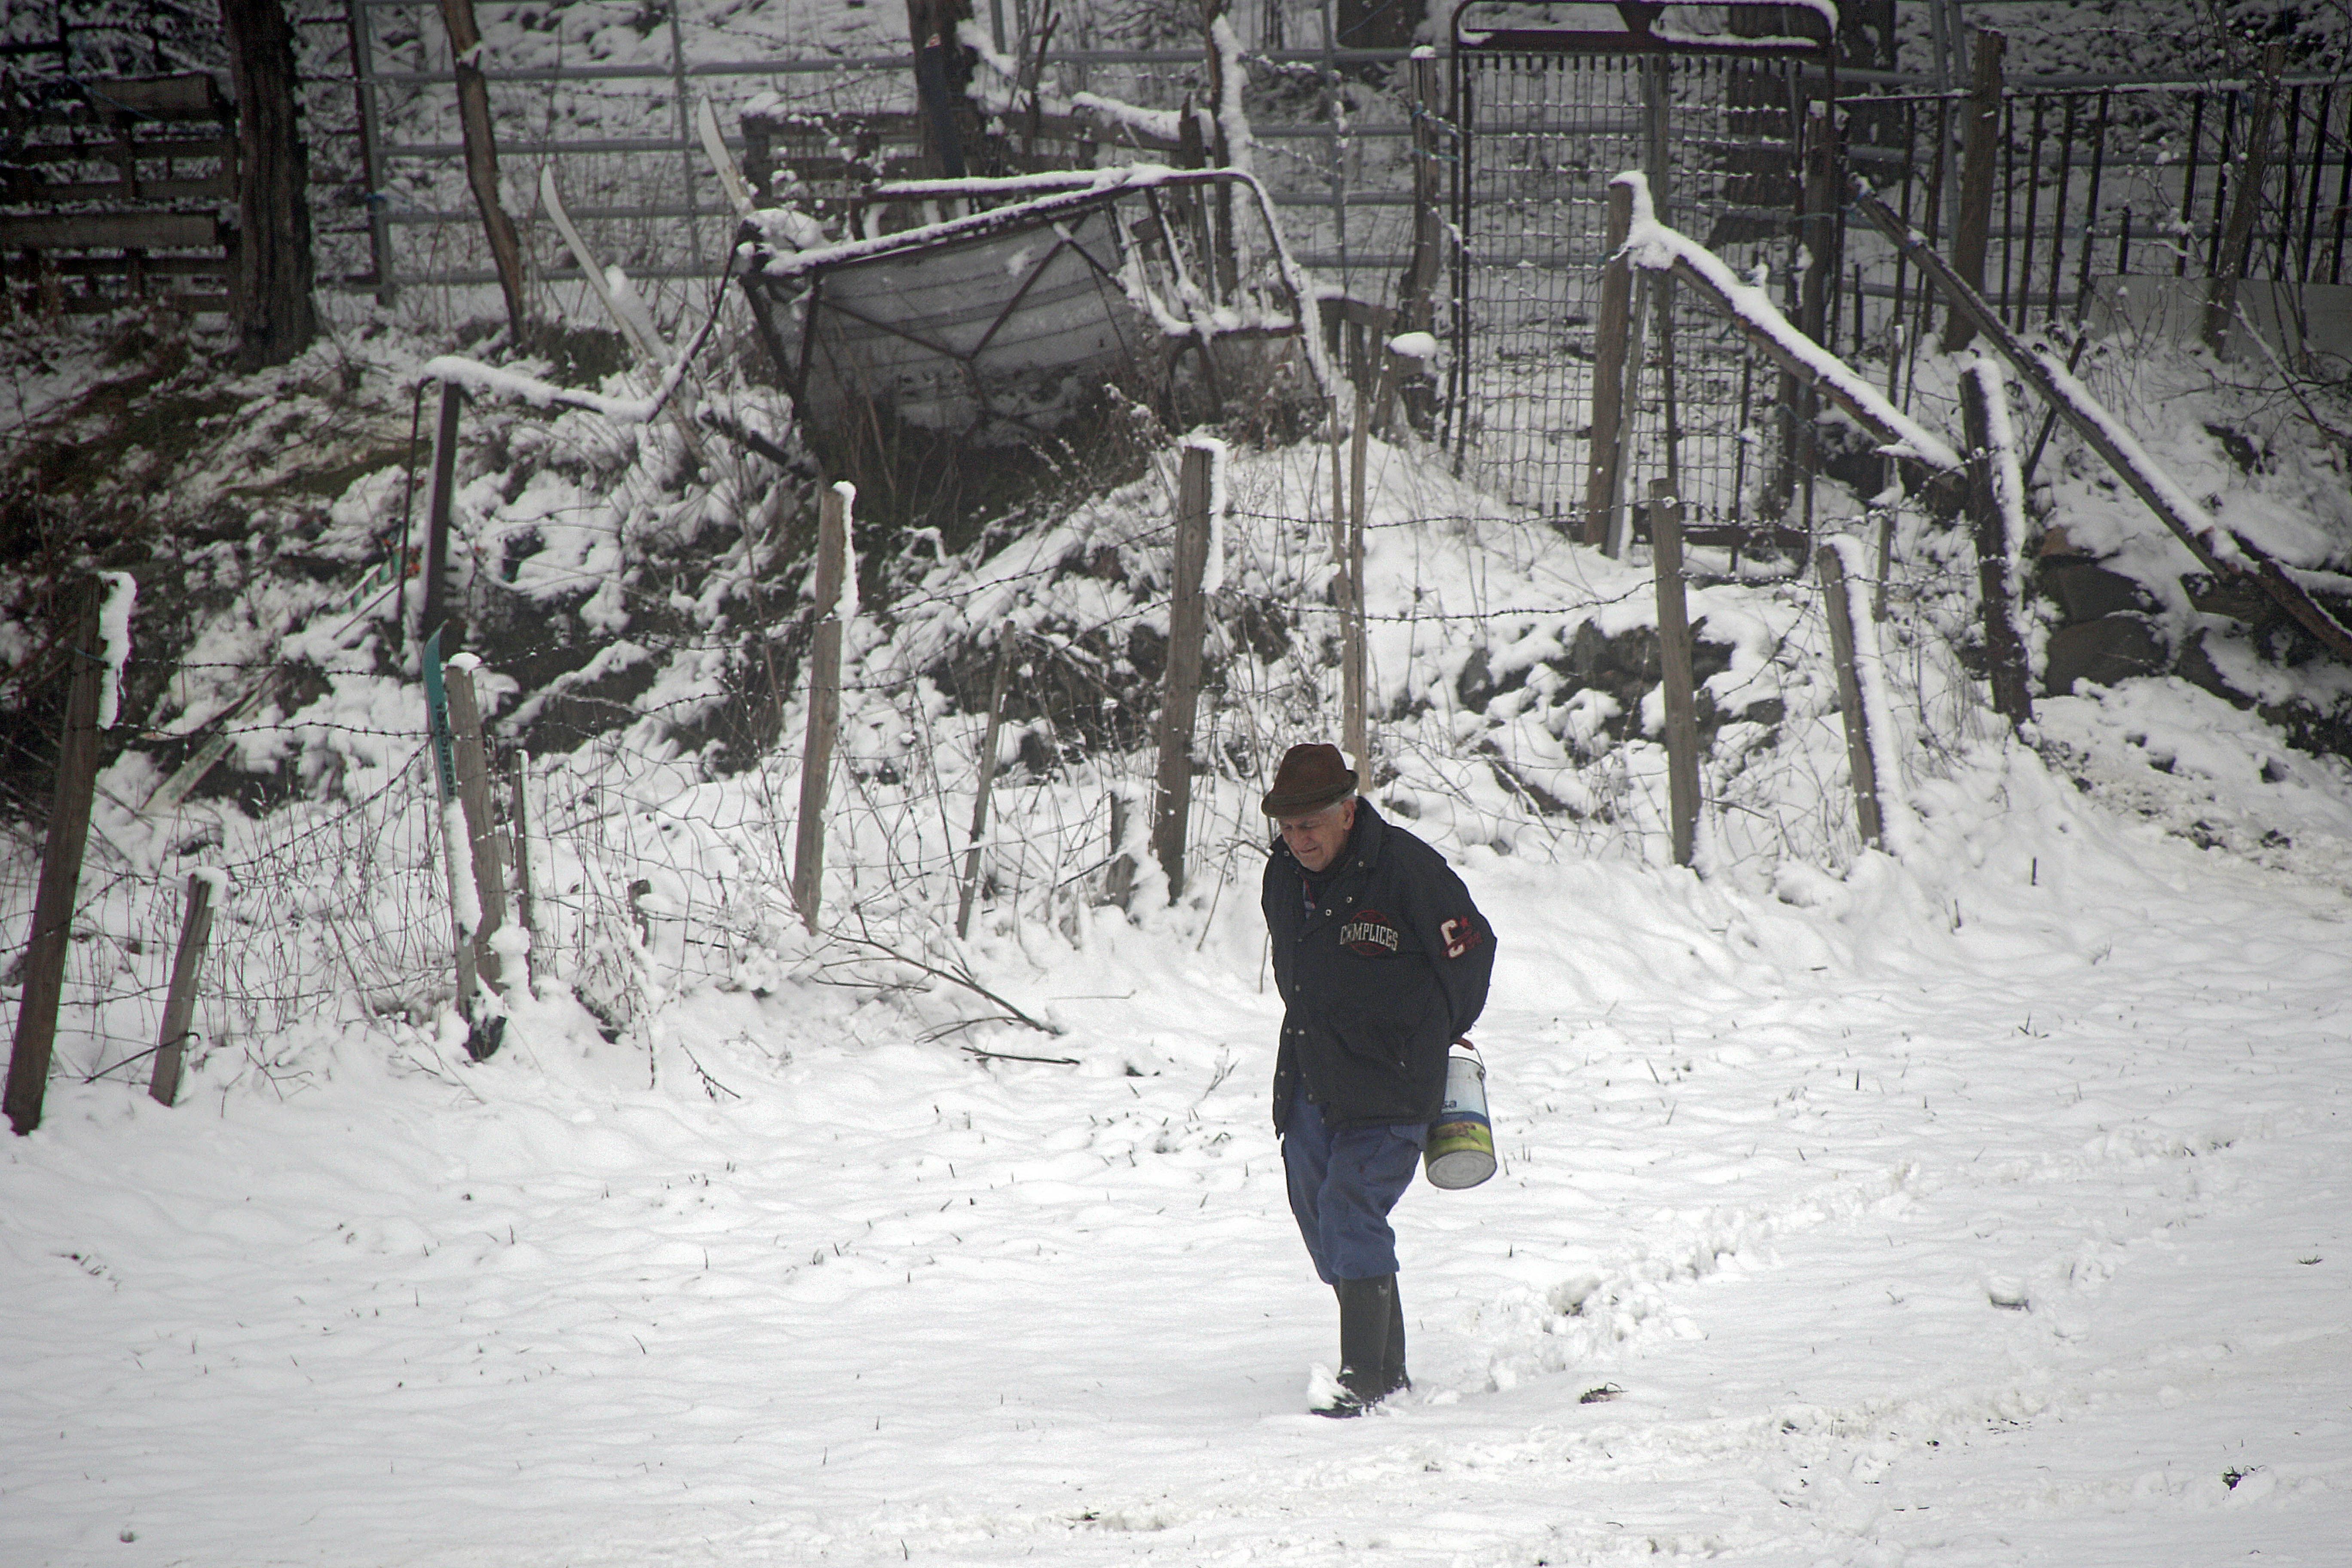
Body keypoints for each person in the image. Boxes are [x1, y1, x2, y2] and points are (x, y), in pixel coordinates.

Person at [1259, 742, 1494, 1417]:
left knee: (1348, 1206)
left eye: (1311, 824)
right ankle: (1386, 1366)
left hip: (1392, 1079)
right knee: (1320, 1219)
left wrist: (1434, 1030)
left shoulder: (1409, 871)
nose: (1299, 839)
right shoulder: (1282, 876)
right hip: (1311, 1070)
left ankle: (1363, 1376)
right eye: (1288, 825)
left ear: (1348, 811)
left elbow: (1471, 954)